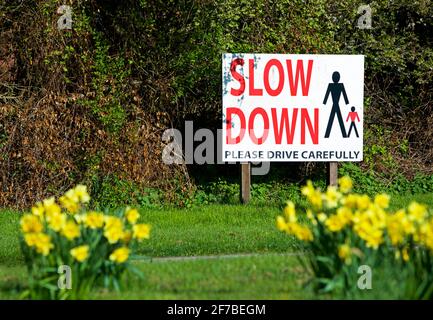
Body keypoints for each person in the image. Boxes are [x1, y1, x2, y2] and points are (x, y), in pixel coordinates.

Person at [323, 71, 349, 138]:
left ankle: (327, 135)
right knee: (337, 118)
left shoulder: (337, 85)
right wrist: (346, 102)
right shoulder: (333, 85)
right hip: (335, 104)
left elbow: (344, 94)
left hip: (335, 104)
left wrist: (325, 102)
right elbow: (327, 94)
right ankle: (344, 135)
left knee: (332, 119)